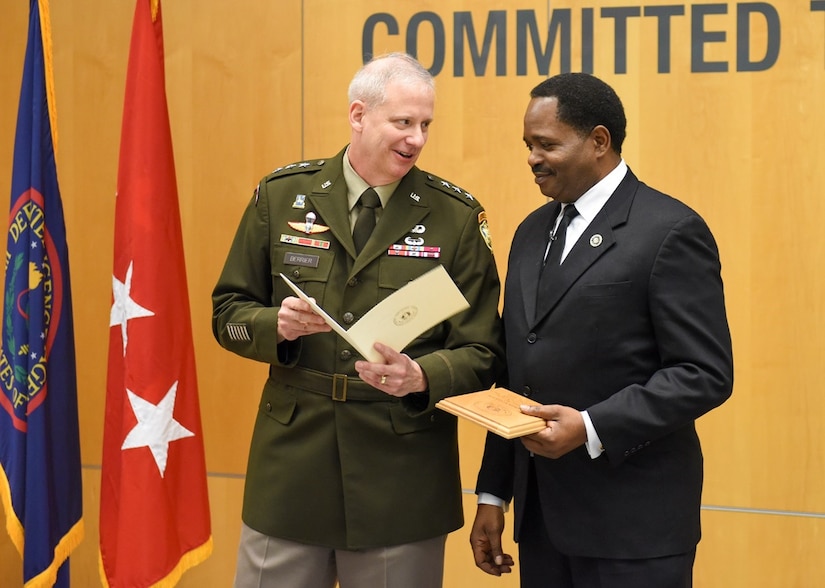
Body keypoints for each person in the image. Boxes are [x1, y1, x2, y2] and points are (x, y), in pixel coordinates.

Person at [212, 52, 505, 588]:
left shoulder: (456, 218)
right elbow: (227, 313)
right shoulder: (282, 197)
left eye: (425, 125)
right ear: (358, 115)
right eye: (403, 122)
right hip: (292, 468)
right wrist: (276, 324)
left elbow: (483, 352)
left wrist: (422, 376)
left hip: (401, 472)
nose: (416, 138)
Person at [470, 72, 734, 587]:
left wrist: (591, 428)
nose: (531, 158)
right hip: (542, 522)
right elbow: (517, 370)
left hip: (635, 531)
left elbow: (704, 373)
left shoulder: (670, 231)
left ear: (598, 142)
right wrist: (492, 493)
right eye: (528, 145)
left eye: (546, 144)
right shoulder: (530, 231)